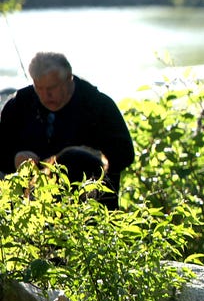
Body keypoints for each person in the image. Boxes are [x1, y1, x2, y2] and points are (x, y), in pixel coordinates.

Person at [0, 52, 135, 209]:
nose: (45, 95)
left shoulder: (98, 105)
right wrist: (16, 158)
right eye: (39, 88)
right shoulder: (19, 104)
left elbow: (125, 154)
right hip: (31, 202)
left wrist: (92, 157)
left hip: (90, 201)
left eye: (51, 88)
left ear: (69, 78)